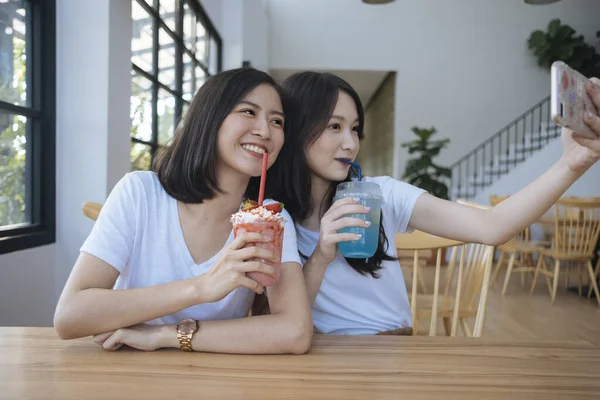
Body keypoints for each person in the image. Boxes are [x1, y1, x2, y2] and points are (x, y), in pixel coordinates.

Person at [268, 71, 600, 335]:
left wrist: (572, 164)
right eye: (334, 126)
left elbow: (491, 226)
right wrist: (322, 254)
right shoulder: (273, 216)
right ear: (297, 132)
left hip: (390, 349)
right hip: (319, 354)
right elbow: (286, 320)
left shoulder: (381, 194)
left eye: (355, 128)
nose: (350, 142)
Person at [54, 68, 312, 353]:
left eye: (277, 121)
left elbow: (294, 331)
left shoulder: (270, 219)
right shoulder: (140, 193)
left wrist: (164, 335)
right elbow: (69, 316)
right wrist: (200, 287)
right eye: (249, 112)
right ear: (209, 118)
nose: (265, 131)